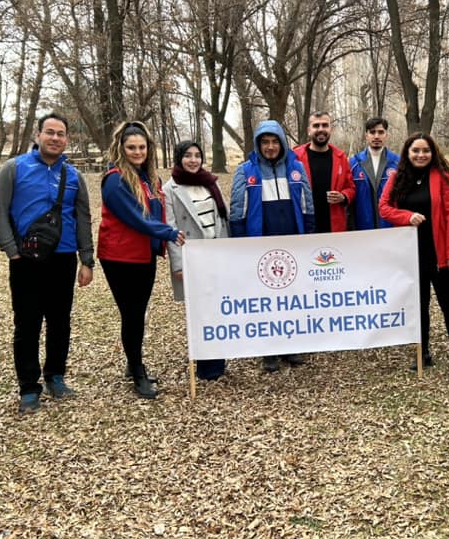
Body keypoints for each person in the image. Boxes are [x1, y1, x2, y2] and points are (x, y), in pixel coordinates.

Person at [0, 111, 95, 414]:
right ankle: (28, 386)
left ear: (66, 139)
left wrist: (86, 259)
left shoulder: (73, 176)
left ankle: (56, 375)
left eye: (60, 134)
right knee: (27, 323)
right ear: (38, 136)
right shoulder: (14, 169)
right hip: (26, 258)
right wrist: (11, 250)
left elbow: (83, 218)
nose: (55, 138)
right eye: (50, 132)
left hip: (63, 257)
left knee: (60, 320)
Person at [98, 121, 185, 399]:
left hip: (144, 253)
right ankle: (137, 371)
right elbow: (137, 219)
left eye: (142, 147)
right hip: (120, 255)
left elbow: (158, 211)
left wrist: (163, 235)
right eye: (131, 147)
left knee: (138, 312)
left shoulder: (149, 178)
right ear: (121, 149)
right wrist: (170, 233)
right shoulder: (115, 180)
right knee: (132, 314)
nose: (137, 152)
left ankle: (132, 360)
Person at [379, 133, 449, 382]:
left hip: (439, 254)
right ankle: (423, 352)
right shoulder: (397, 178)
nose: (420, 155)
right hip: (410, 255)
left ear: (433, 152)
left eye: (425, 151)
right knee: (419, 306)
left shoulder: (445, 178)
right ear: (407, 153)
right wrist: (406, 216)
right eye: (415, 151)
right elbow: (384, 208)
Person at [229, 120, 315, 372]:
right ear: (258, 144)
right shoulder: (246, 171)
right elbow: (237, 210)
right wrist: (240, 243)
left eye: (274, 141)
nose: (270, 147)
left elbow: (307, 204)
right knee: (265, 298)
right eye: (265, 142)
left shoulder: (296, 168)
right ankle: (269, 350)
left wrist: (309, 236)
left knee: (292, 296)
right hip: (260, 241)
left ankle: (292, 345)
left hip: (292, 239)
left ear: (282, 143)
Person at [165, 139, 229, 381]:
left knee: (219, 306)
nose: (193, 160)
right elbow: (170, 228)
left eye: (197, 155)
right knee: (201, 311)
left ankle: (220, 357)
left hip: (217, 252)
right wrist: (178, 265)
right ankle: (205, 364)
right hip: (193, 256)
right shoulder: (171, 189)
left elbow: (224, 218)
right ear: (179, 158)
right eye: (188, 155)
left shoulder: (211, 183)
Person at [292, 111, 355, 233]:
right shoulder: (295, 157)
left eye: (325, 125)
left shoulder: (341, 157)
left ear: (331, 129)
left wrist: (343, 196)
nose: (321, 129)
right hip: (304, 225)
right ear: (309, 130)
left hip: (333, 226)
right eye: (316, 126)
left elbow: (351, 188)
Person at [348, 116, 399, 230]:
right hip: (363, 227)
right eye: (372, 132)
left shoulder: (398, 163)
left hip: (390, 227)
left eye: (381, 132)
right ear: (366, 135)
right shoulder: (354, 163)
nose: (376, 136)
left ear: (386, 135)